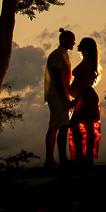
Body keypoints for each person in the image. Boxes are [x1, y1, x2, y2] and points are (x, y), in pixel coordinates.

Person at [44, 28, 75, 168]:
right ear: (64, 39)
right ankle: (62, 159)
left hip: (60, 94)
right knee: (63, 125)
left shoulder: (64, 55)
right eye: (71, 39)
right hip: (57, 95)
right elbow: (56, 77)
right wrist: (64, 97)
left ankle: (50, 159)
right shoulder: (56, 55)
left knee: (54, 125)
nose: (73, 42)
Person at [68, 36, 101, 166]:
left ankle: (83, 156)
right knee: (87, 126)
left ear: (86, 46)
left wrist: (75, 101)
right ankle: (84, 157)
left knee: (78, 124)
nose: (78, 45)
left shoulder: (88, 62)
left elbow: (83, 84)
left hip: (86, 96)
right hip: (85, 96)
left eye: (81, 43)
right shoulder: (87, 61)